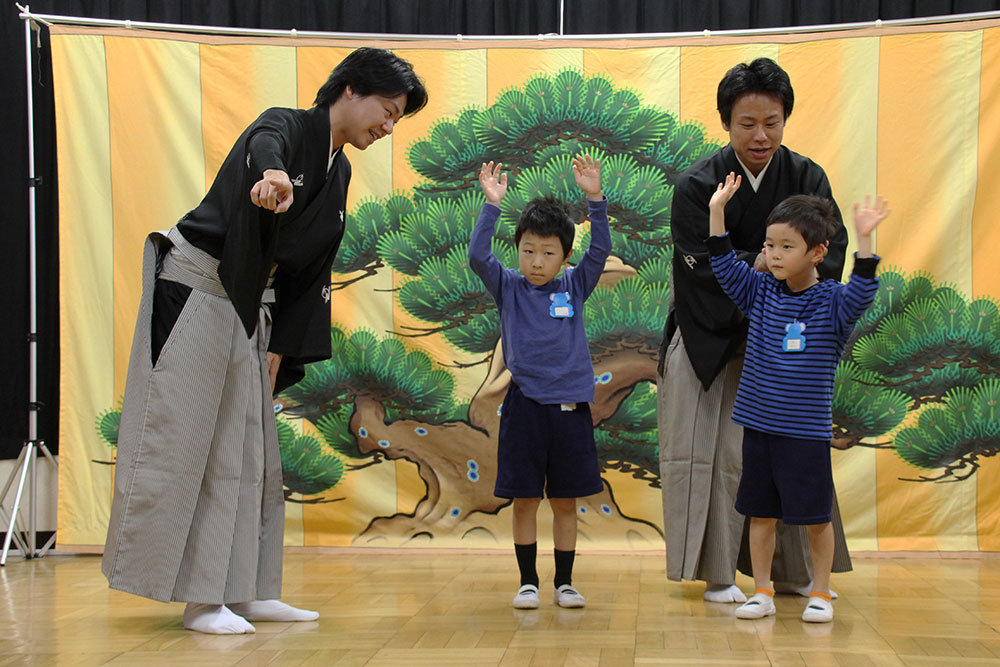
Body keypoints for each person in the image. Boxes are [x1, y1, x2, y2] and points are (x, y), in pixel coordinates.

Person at [102, 47, 428, 634]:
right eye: (387, 109)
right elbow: (264, 144)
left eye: (397, 119)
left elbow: (312, 267)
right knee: (195, 445)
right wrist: (273, 174)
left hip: (251, 307)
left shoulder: (339, 169)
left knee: (252, 450)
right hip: (198, 290)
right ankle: (202, 599)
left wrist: (285, 344)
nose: (388, 126)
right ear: (349, 90)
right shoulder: (286, 126)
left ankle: (249, 590)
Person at [657, 57, 852, 604]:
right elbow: (698, 262)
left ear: (785, 118)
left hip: (788, 342)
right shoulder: (698, 185)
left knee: (792, 455)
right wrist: (769, 262)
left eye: (773, 121)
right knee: (711, 457)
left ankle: (796, 578)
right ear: (726, 123)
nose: (761, 135)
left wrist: (763, 268)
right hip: (709, 334)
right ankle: (718, 574)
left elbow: (826, 256)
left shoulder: (807, 177)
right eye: (747, 123)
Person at [706, 173, 887, 622]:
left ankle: (820, 593)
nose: (773, 254)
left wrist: (864, 240)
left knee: (814, 517)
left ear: (818, 252)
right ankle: (762, 590)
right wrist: (716, 211)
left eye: (787, 246)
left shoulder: (832, 302)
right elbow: (725, 266)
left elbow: (863, 290)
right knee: (760, 515)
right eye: (770, 245)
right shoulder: (761, 291)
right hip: (758, 427)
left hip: (804, 434)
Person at [469, 155, 609, 609]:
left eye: (548, 253)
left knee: (565, 501)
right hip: (525, 408)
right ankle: (527, 582)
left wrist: (595, 198)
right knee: (525, 499)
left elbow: (600, 251)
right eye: (528, 250)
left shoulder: (574, 285)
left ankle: (564, 583)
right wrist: (492, 205)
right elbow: (477, 255)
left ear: (565, 257)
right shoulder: (508, 286)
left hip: (569, 409)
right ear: (518, 250)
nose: (536, 261)